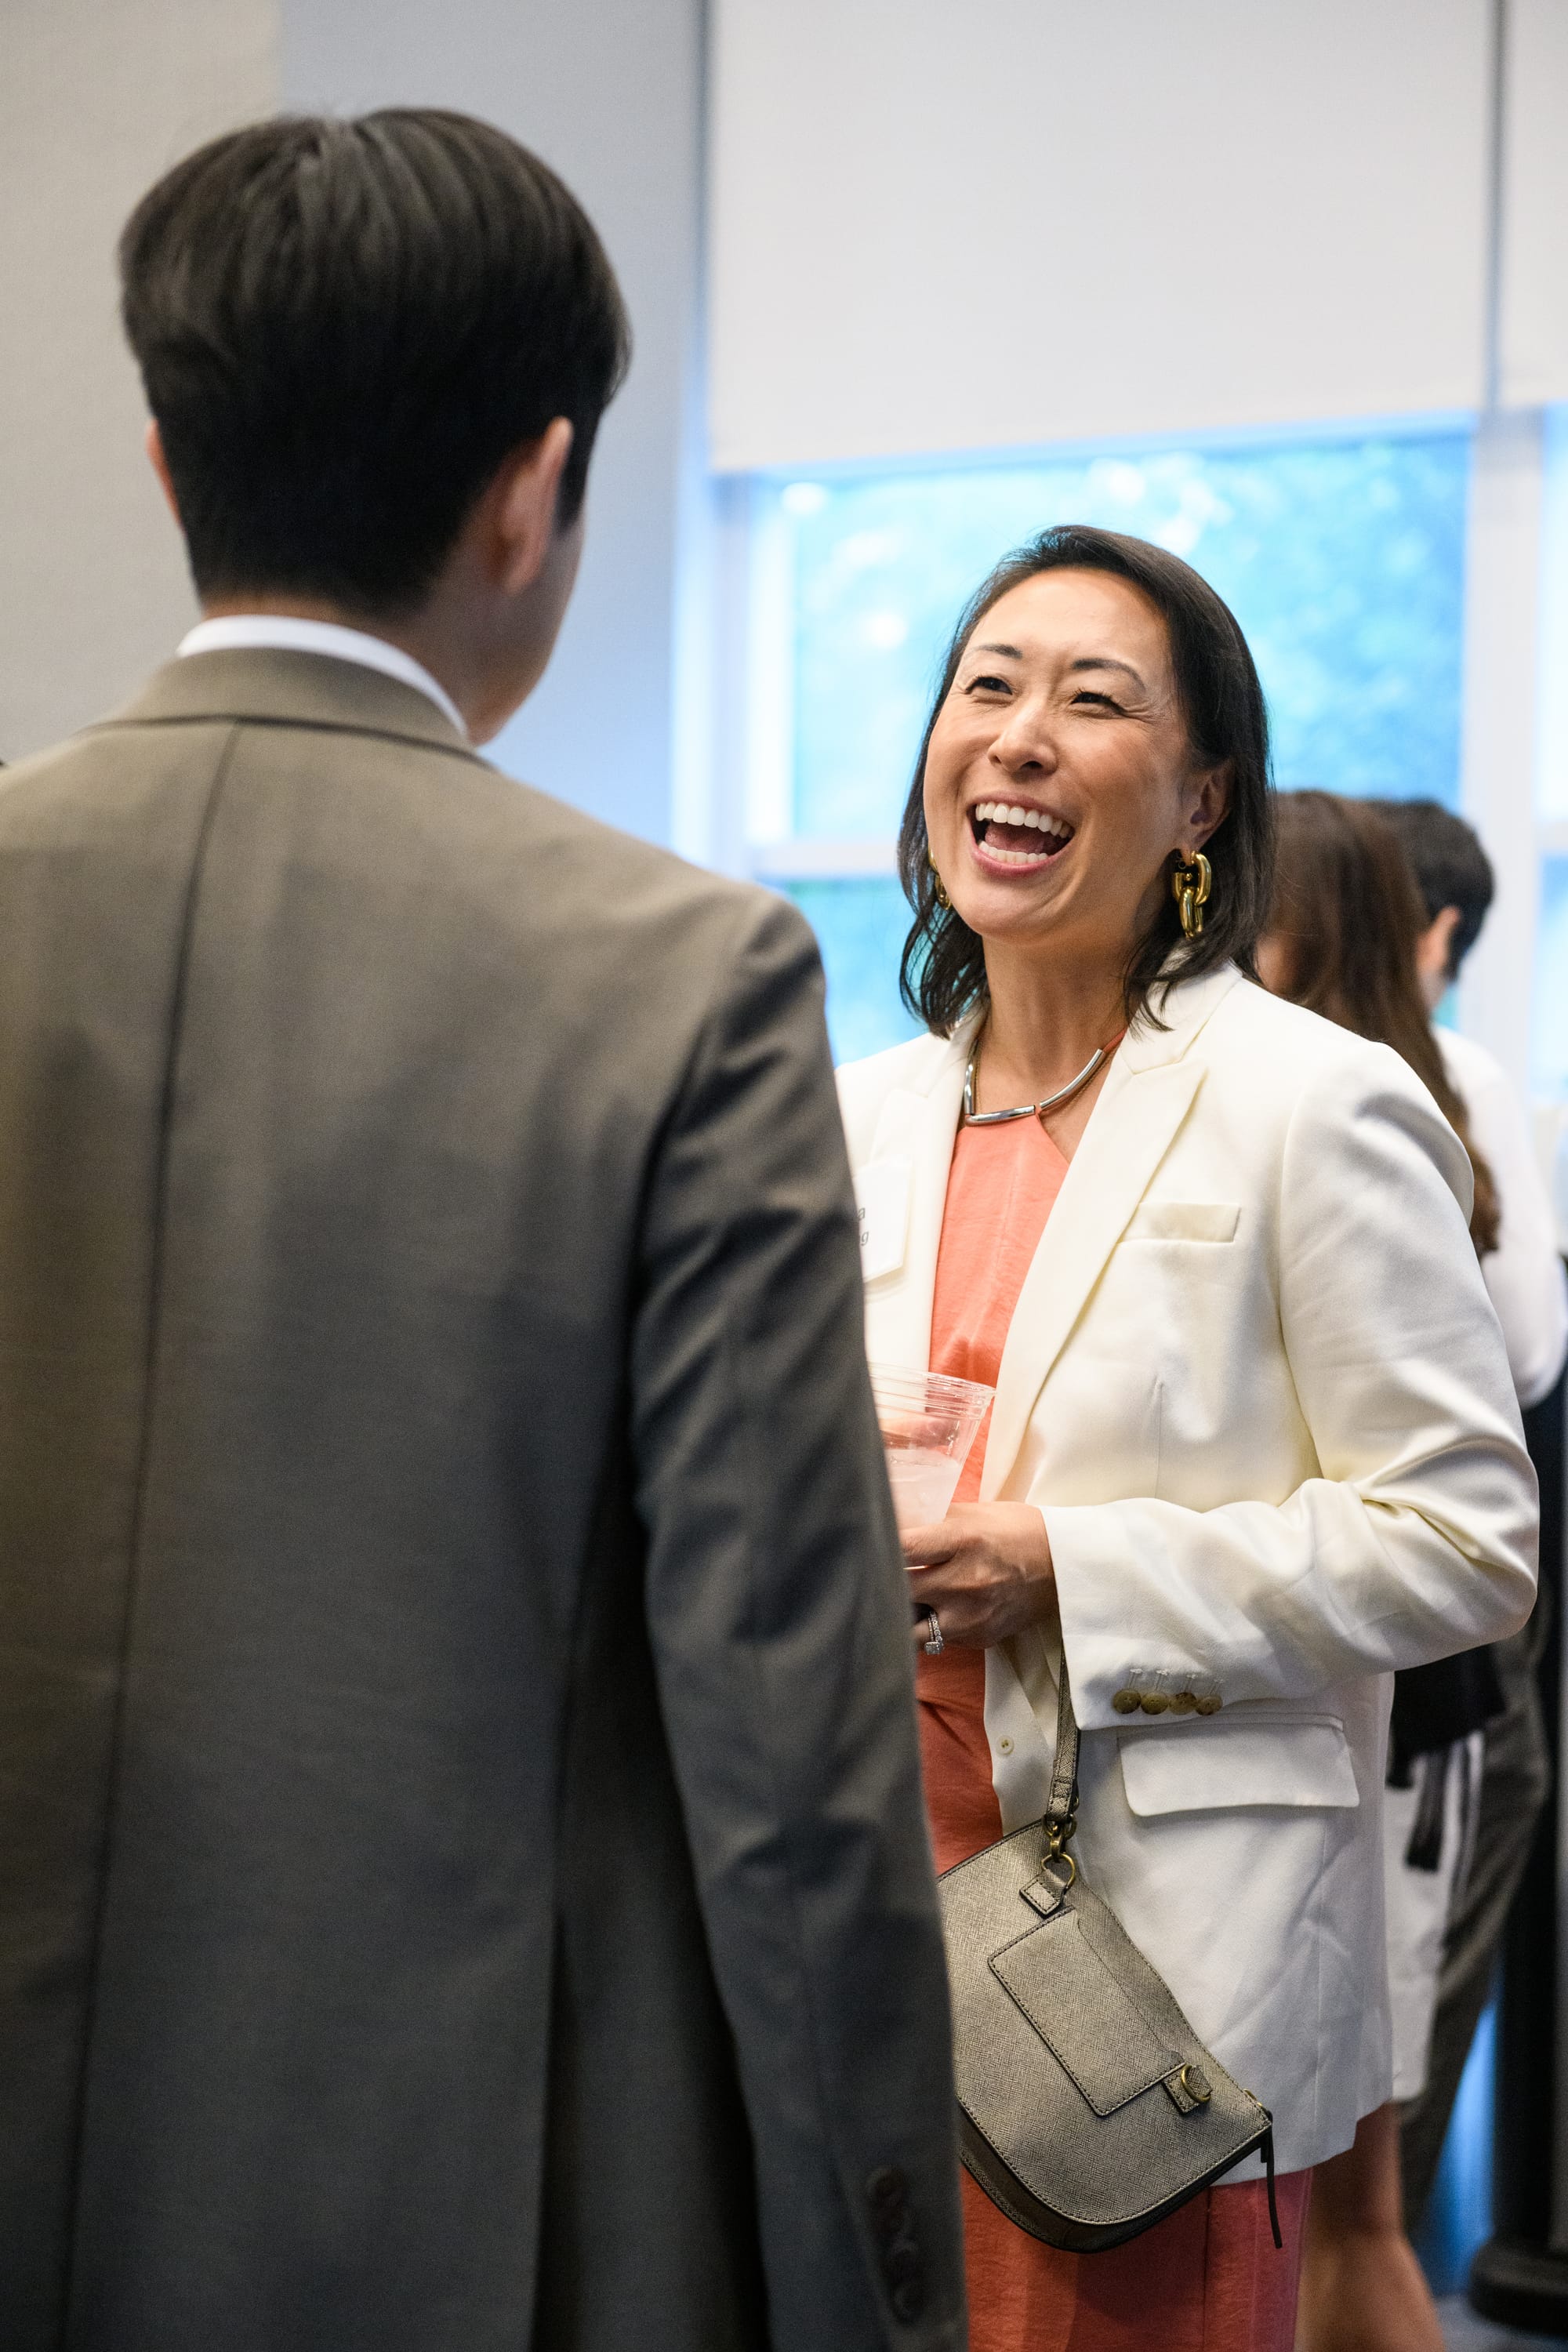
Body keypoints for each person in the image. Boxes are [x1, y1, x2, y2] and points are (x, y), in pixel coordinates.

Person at [0, 114, 965, 2352]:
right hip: (495, 2210)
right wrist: (881, 2294)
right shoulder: (680, 978)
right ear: (535, 490)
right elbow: (787, 1750)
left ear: (167, 463)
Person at [834, 525, 1537, 2352]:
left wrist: (1068, 1569)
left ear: (1202, 797)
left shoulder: (1308, 1102)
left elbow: (1467, 1539)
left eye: (1092, 699)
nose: (1018, 734)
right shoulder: (851, 1119)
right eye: (985, 686)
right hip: (857, 1934)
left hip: (1139, 1983)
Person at [1258, 788, 1526, 2351]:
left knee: (1354, 2195)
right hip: (1320, 1685)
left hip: (1408, 1700)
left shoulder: (1389, 1101)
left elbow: (1515, 1393)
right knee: (1324, 2194)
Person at [1370, 800, 1566, 2229]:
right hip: (1434, 1583)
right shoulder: (1451, 1075)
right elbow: (1530, 1352)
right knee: (1466, 1843)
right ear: (1435, 932)